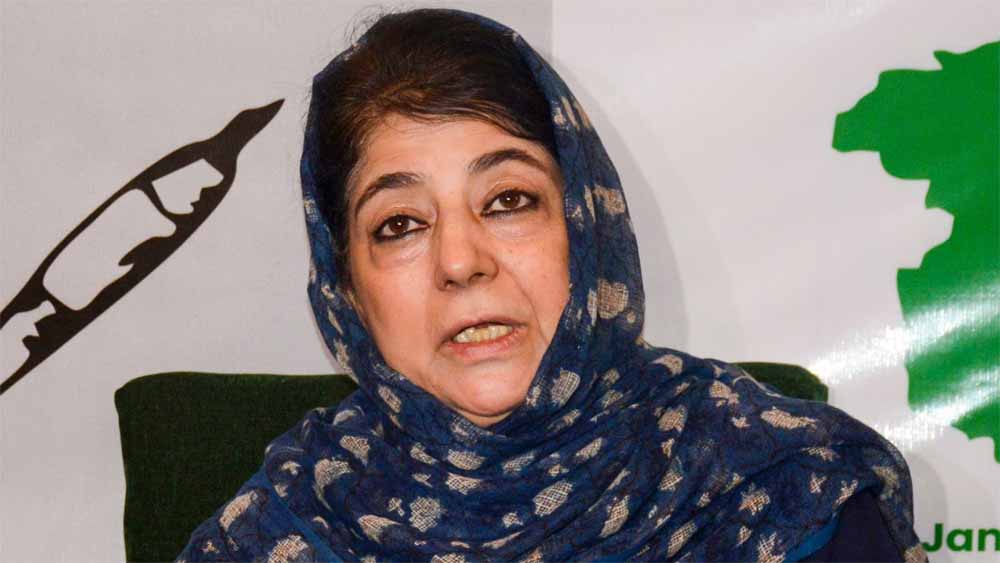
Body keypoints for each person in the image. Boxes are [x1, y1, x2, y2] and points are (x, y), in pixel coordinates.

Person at [178, 8, 926, 562]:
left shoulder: (783, 493)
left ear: (587, 227)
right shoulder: (288, 524)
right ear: (346, 288)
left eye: (508, 200)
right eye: (400, 224)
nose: (460, 261)